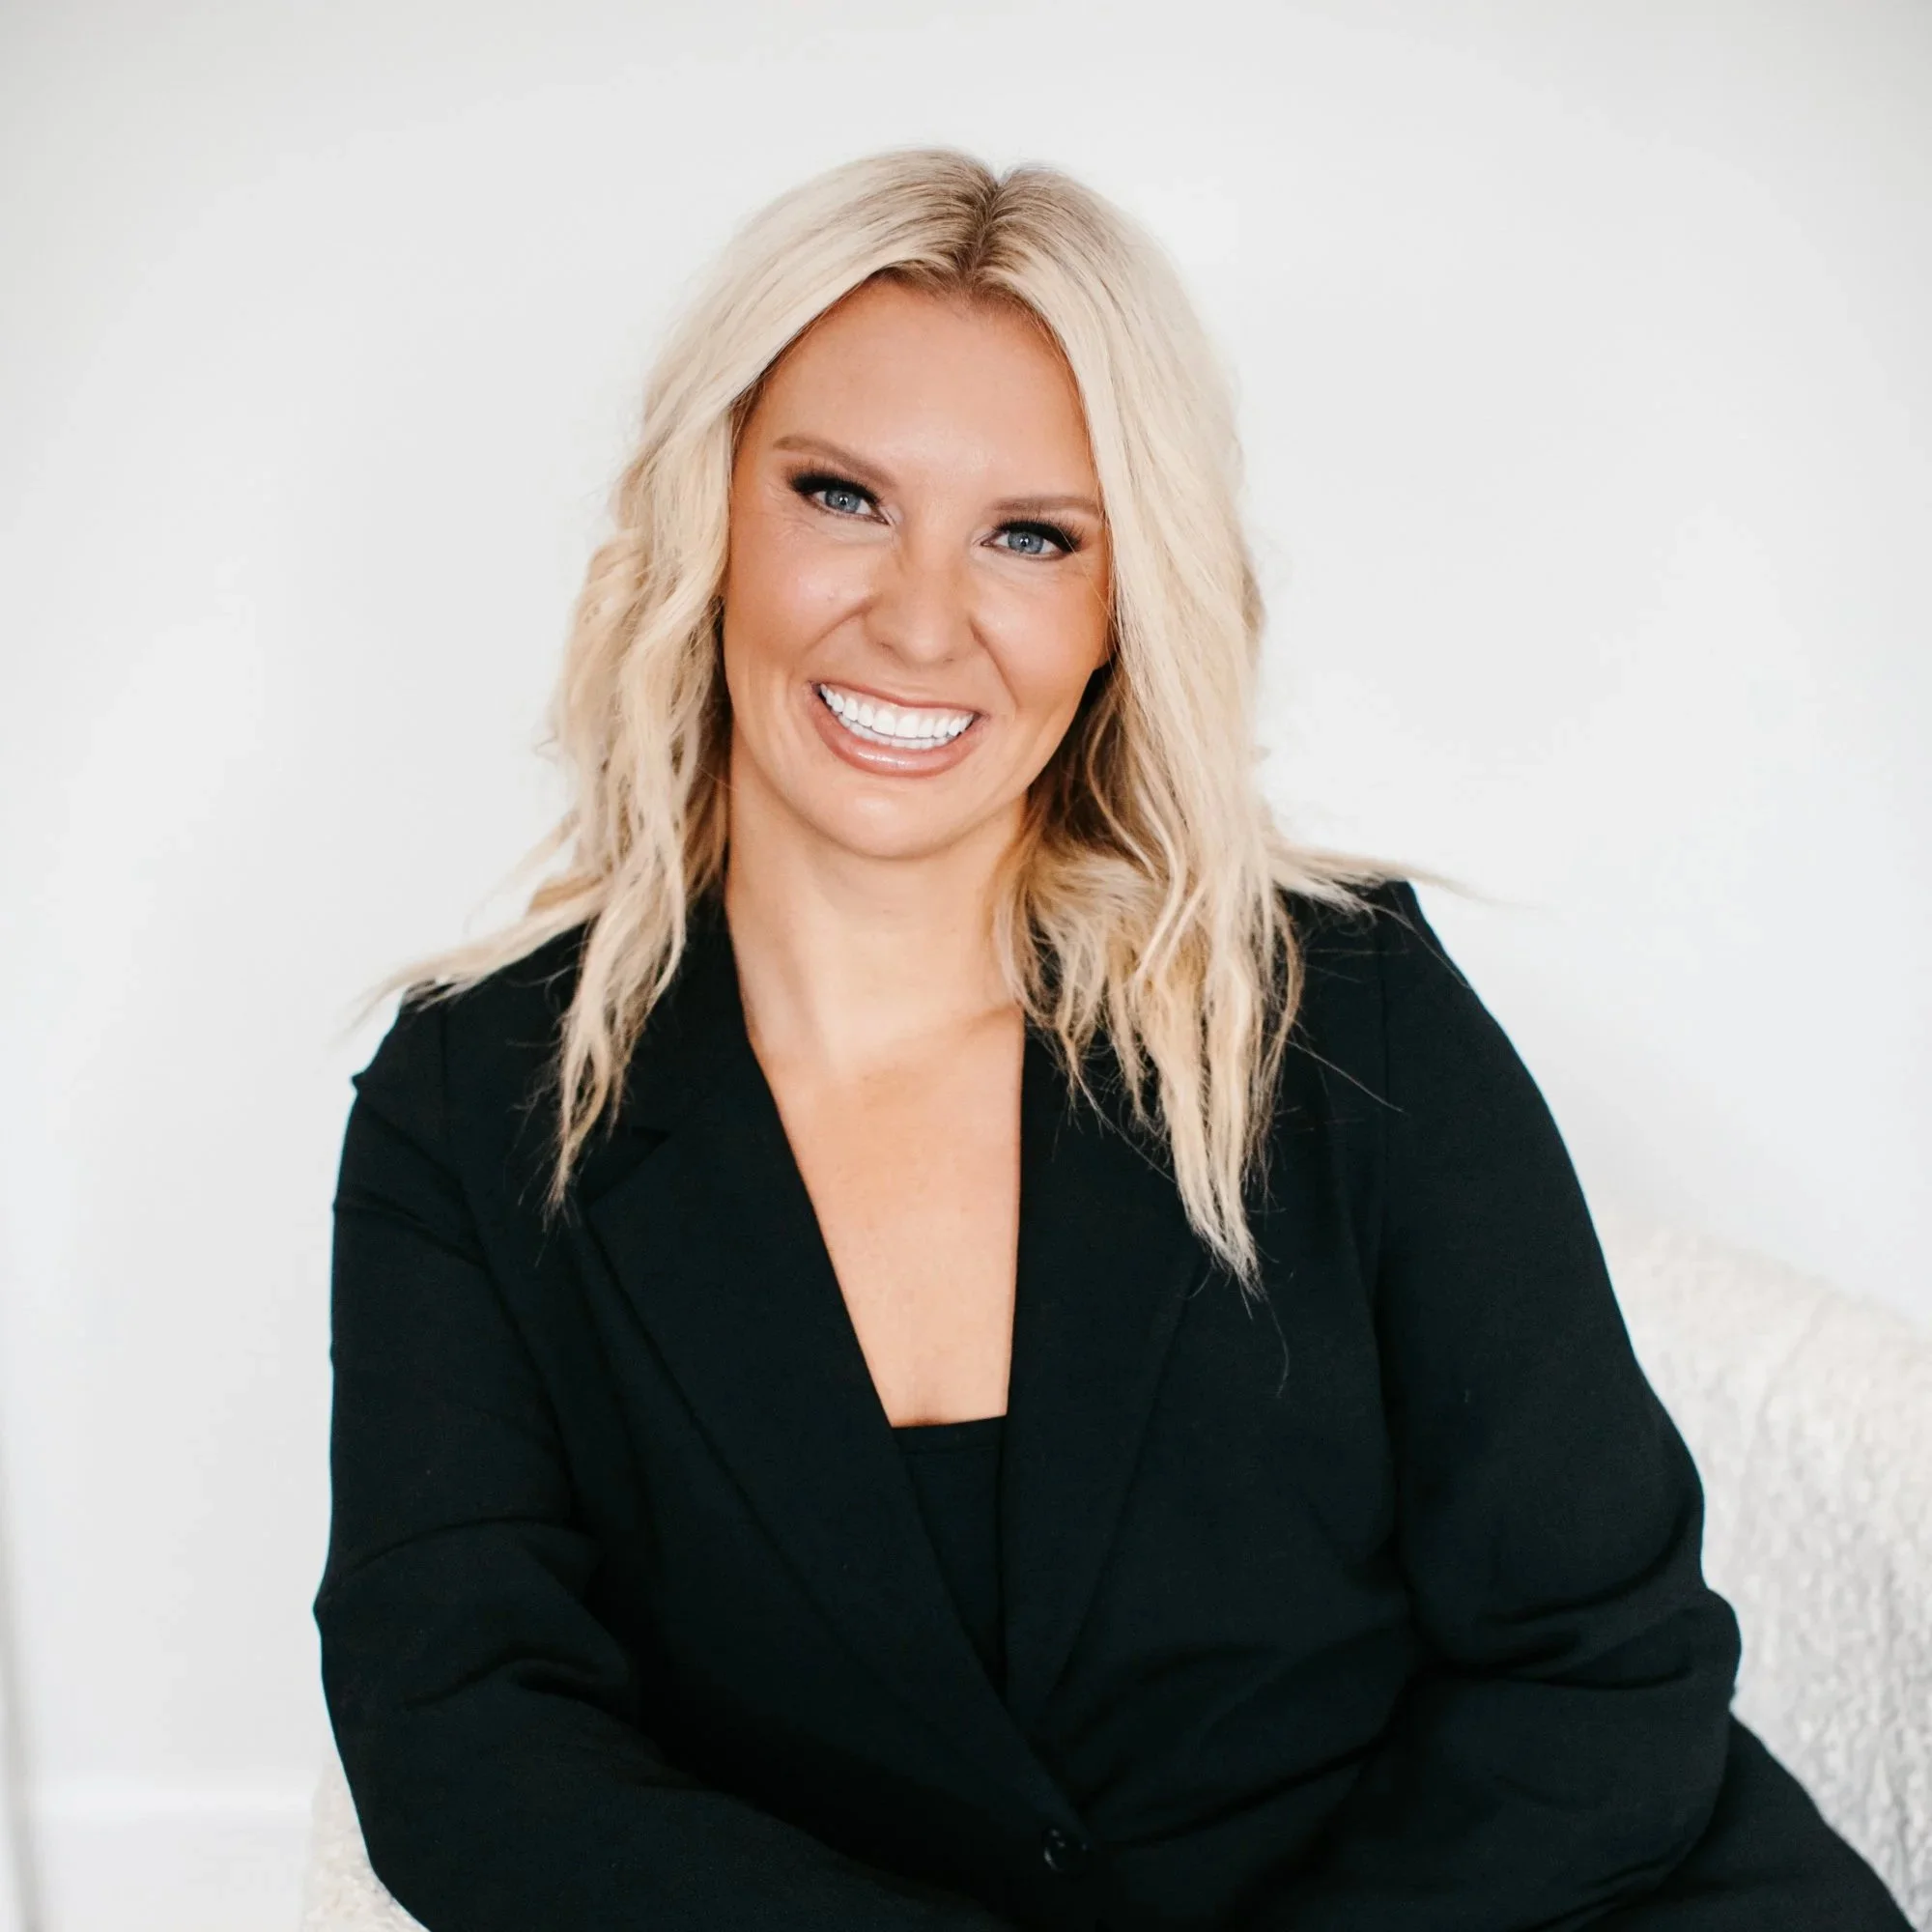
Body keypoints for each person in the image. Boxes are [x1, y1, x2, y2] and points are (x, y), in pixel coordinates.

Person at [315, 149, 1908, 1931]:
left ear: (1119, 604)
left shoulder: (1341, 1008)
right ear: (710, 517)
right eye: (842, 496)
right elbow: (467, 1735)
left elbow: (1601, 1663)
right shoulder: (474, 1110)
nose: (920, 621)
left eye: (1030, 536)